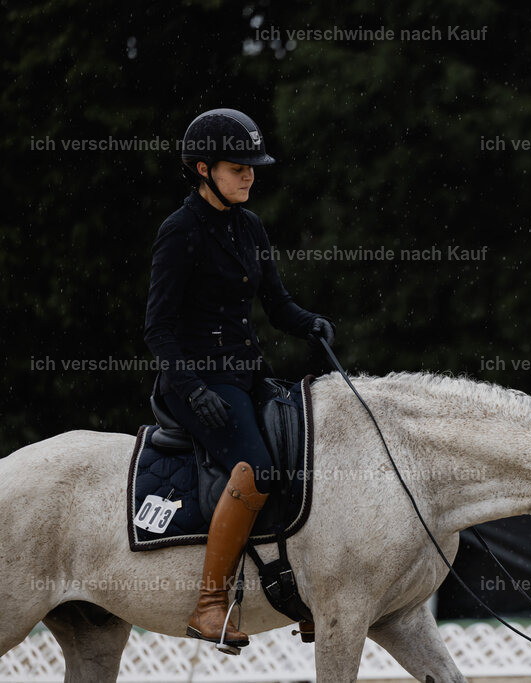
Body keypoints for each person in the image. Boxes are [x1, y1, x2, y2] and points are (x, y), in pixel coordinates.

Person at [144, 108, 333, 651]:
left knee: (308, 458)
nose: (249, 175)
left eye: (253, 166)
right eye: (237, 167)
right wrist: (193, 391)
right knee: (256, 471)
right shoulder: (178, 232)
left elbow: (277, 305)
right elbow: (157, 330)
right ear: (203, 169)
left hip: (248, 375)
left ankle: (305, 594)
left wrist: (309, 324)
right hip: (195, 385)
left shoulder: (249, 225)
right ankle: (209, 605)